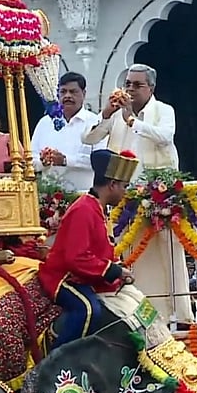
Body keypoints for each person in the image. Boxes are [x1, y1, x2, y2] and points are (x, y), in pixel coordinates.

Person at [83, 64, 194, 324]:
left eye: (137, 85)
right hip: (126, 199)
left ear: (151, 88)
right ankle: (141, 315)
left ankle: (178, 317)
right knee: (134, 258)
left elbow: (165, 137)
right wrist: (105, 114)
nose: (130, 89)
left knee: (168, 255)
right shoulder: (116, 115)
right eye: (128, 84)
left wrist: (132, 120)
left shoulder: (164, 110)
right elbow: (87, 139)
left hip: (160, 198)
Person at [38, 149, 138, 350]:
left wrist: (118, 271)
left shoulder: (96, 207)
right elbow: (77, 258)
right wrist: (114, 271)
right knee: (88, 309)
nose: (125, 192)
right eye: (124, 187)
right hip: (64, 278)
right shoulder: (84, 209)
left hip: (84, 276)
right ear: (112, 185)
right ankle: (57, 360)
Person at [31, 72, 105, 192]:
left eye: (73, 91)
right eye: (63, 92)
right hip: (48, 197)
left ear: (84, 94)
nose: (67, 96)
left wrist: (65, 160)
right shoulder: (45, 123)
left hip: (83, 195)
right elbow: (31, 159)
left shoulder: (95, 122)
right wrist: (44, 161)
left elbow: (100, 162)